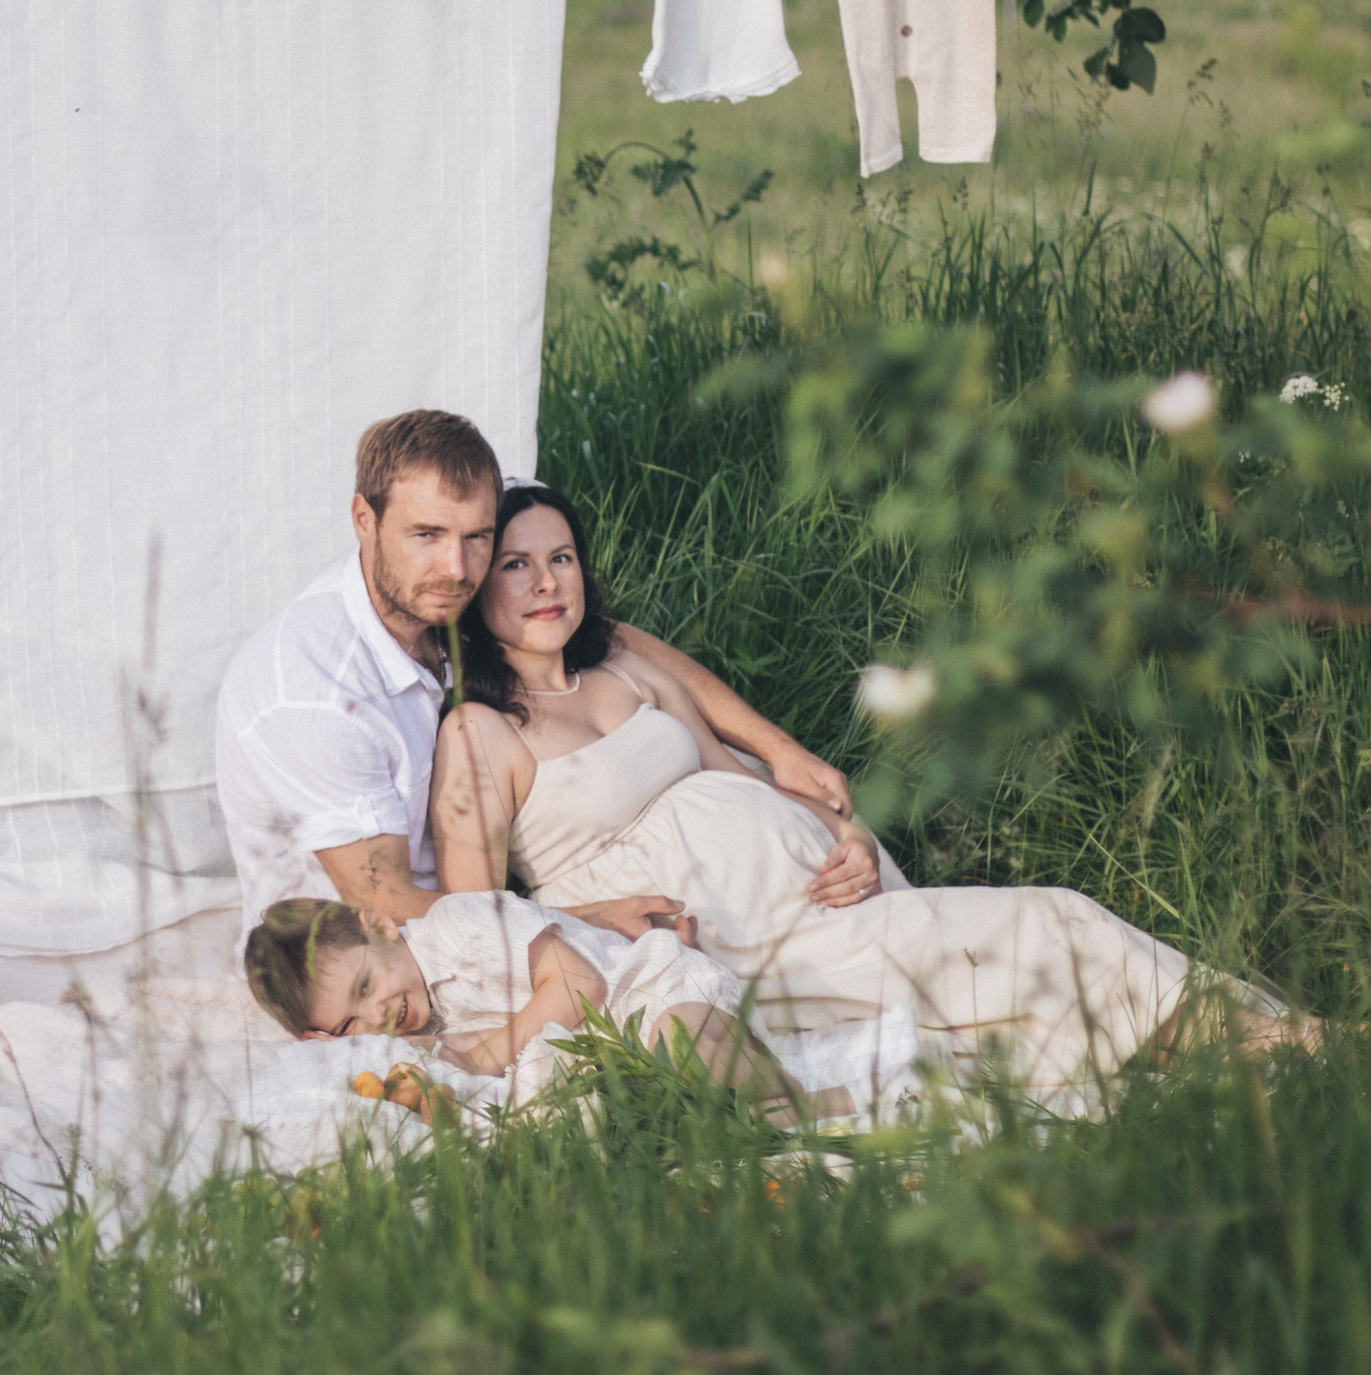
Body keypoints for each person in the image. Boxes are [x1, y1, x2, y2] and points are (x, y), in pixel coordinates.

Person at [424, 479, 1317, 1109]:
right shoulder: (480, 733)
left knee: (1022, 963)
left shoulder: (620, 662)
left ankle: (1261, 1046)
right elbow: (477, 920)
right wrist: (603, 907)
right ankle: (1293, 1047)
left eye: (563, 556)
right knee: (1056, 924)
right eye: (515, 564)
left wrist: (839, 832)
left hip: (827, 886)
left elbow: (730, 775)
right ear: (475, 588)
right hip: (743, 943)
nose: (546, 582)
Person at [214, 409, 851, 941]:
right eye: (427, 535)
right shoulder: (316, 691)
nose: (458, 567)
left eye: (477, 539)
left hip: (499, 897)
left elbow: (616, 638)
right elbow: (382, 905)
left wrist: (777, 749)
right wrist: (582, 921)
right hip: (362, 956)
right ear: (364, 519)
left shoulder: (433, 588)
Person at [241, 891, 857, 1127]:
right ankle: (770, 1117)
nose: (378, 1014)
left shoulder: (457, 926)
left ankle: (823, 1100)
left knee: (679, 1043)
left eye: (367, 985)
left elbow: (578, 985)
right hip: (617, 1061)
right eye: (352, 1022)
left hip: (652, 993)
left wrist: (485, 1055)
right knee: (663, 1124)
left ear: (380, 926)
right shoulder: (409, 1034)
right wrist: (340, 1048)